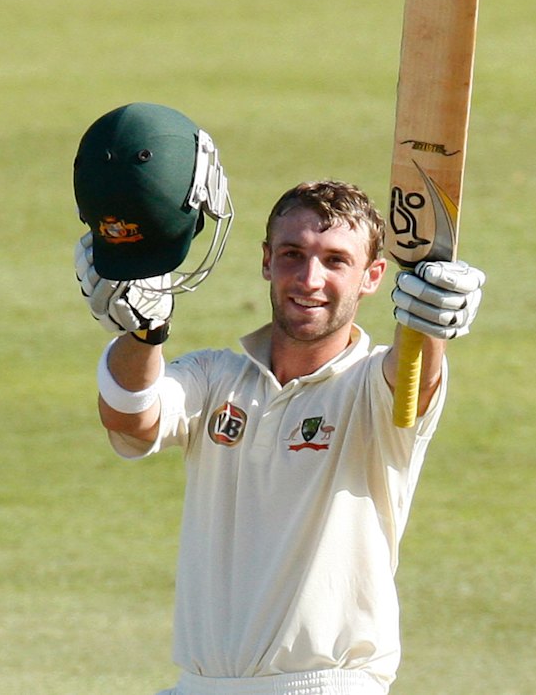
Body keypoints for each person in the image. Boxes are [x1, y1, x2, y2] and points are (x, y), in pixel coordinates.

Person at [74, 103, 485, 695]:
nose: (309, 278)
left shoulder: (373, 391)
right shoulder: (217, 377)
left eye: (336, 261)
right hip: (198, 685)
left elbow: (413, 383)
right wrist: (143, 331)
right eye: (293, 254)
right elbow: (129, 417)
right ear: (267, 260)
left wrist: (429, 321)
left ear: (372, 277)